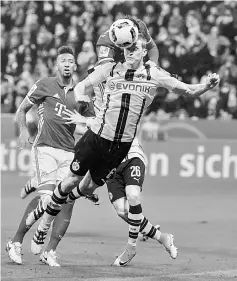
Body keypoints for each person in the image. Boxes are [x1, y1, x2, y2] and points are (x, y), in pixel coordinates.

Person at [34, 33, 220, 266]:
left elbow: (186, 90)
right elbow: (82, 86)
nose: (130, 53)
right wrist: (82, 100)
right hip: (97, 138)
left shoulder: (152, 75)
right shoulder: (110, 69)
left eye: (135, 49)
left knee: (91, 190)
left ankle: (153, 239)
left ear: (144, 52)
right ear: (121, 48)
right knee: (71, 182)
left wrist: (206, 85)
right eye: (127, 49)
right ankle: (43, 225)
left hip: (121, 149)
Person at [6, 46, 95, 267]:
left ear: (75, 66)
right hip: (45, 148)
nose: (67, 64)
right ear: (57, 65)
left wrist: (83, 121)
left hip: (68, 152)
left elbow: (94, 124)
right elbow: (22, 109)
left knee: (64, 202)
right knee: (48, 200)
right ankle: (16, 242)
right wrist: (24, 130)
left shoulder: (82, 92)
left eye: (70, 61)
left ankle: (50, 251)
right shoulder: (45, 84)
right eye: (63, 60)